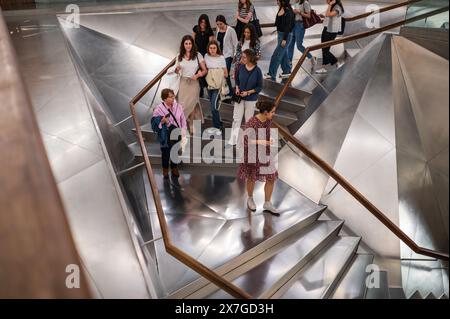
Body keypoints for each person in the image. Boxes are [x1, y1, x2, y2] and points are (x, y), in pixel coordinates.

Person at [238, 100, 279, 215]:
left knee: (271, 178)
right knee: (252, 178)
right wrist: (261, 141)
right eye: (272, 112)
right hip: (252, 154)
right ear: (265, 112)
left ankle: (267, 203)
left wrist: (269, 139)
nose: (273, 114)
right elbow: (244, 141)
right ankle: (250, 198)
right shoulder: (252, 122)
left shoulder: (268, 119)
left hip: (264, 153)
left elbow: (266, 133)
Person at [227, 49, 263, 146]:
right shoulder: (240, 67)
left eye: (244, 57)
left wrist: (248, 92)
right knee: (236, 119)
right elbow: (237, 80)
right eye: (242, 56)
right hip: (240, 98)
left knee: (248, 120)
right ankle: (232, 140)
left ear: (250, 58)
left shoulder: (257, 71)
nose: (241, 58)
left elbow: (259, 87)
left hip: (251, 100)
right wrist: (237, 88)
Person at [151, 88, 187, 179]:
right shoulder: (159, 109)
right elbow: (154, 123)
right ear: (164, 99)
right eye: (170, 97)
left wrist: (183, 130)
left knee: (175, 151)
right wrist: (162, 121)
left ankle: (174, 168)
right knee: (166, 153)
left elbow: (183, 119)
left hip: (176, 132)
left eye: (173, 96)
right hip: (165, 133)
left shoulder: (178, 106)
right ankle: (165, 169)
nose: (173, 98)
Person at [175, 35, 207, 134]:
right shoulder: (179, 56)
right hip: (183, 83)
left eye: (190, 43)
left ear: (192, 44)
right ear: (183, 45)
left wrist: (197, 75)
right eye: (186, 43)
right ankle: (182, 125)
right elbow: (176, 71)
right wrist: (177, 70)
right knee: (182, 105)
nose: (188, 45)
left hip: (194, 83)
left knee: (192, 105)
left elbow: (205, 70)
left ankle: (191, 124)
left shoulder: (198, 55)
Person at [264, 0, 295, 81]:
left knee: (276, 56)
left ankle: (271, 74)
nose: (276, 1)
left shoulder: (288, 11)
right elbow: (278, 23)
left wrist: (284, 39)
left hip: (286, 36)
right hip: (280, 34)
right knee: (283, 54)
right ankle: (287, 71)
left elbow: (288, 26)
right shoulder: (281, 8)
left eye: (278, 0)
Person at [287, 0, 317, 72]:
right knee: (290, 44)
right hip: (293, 24)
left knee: (299, 46)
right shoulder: (296, 3)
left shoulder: (305, 3)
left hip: (300, 25)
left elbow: (309, 16)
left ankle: (311, 58)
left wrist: (299, 12)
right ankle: (289, 63)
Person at [315, 0, 344, 74]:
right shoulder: (333, 6)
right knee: (323, 49)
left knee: (325, 50)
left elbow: (328, 14)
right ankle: (324, 67)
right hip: (327, 29)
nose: (326, 0)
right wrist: (322, 15)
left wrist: (330, 4)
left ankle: (337, 62)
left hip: (332, 31)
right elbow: (328, 15)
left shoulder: (337, 7)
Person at [204, 40, 228, 130]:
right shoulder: (206, 56)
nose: (212, 50)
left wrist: (218, 73)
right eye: (211, 48)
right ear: (208, 49)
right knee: (213, 106)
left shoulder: (221, 58)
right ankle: (219, 122)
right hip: (209, 84)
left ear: (217, 48)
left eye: (214, 48)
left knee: (214, 107)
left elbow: (226, 73)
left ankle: (217, 127)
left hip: (217, 85)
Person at [215, 15, 239, 98]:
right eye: (217, 24)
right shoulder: (218, 29)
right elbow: (217, 42)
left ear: (224, 22)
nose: (219, 26)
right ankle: (225, 90)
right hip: (220, 55)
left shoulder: (231, 30)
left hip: (228, 55)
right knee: (222, 74)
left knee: (226, 73)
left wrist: (235, 55)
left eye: (220, 24)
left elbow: (236, 44)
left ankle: (230, 93)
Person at [192, 14, 215, 98]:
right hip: (196, 54)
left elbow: (210, 45)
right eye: (201, 22)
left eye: (204, 22)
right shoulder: (196, 28)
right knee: (197, 71)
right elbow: (193, 41)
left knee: (205, 72)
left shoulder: (209, 31)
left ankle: (209, 92)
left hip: (205, 55)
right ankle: (200, 92)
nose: (203, 24)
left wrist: (209, 56)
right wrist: (193, 52)